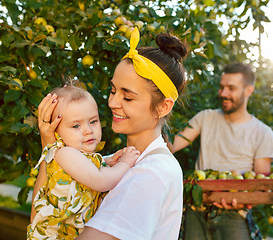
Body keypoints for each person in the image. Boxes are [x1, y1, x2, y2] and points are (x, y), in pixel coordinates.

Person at [36, 27, 188, 239]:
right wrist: (51, 149)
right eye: (113, 90)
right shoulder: (124, 162)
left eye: (128, 97)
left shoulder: (150, 173)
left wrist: (51, 150)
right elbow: (42, 218)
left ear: (163, 107)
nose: (112, 102)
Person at [166, 63, 273, 240]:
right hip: (197, 209)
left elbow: (260, 183)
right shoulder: (205, 117)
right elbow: (171, 146)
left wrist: (242, 200)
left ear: (248, 90)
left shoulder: (262, 133)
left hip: (234, 214)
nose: (223, 93)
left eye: (231, 88)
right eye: (222, 87)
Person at [27, 83, 140, 239]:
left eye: (93, 121)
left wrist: (106, 161)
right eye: (76, 126)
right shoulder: (64, 153)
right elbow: (100, 180)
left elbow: (85, 168)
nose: (88, 130)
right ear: (56, 131)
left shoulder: (75, 156)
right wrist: (124, 164)